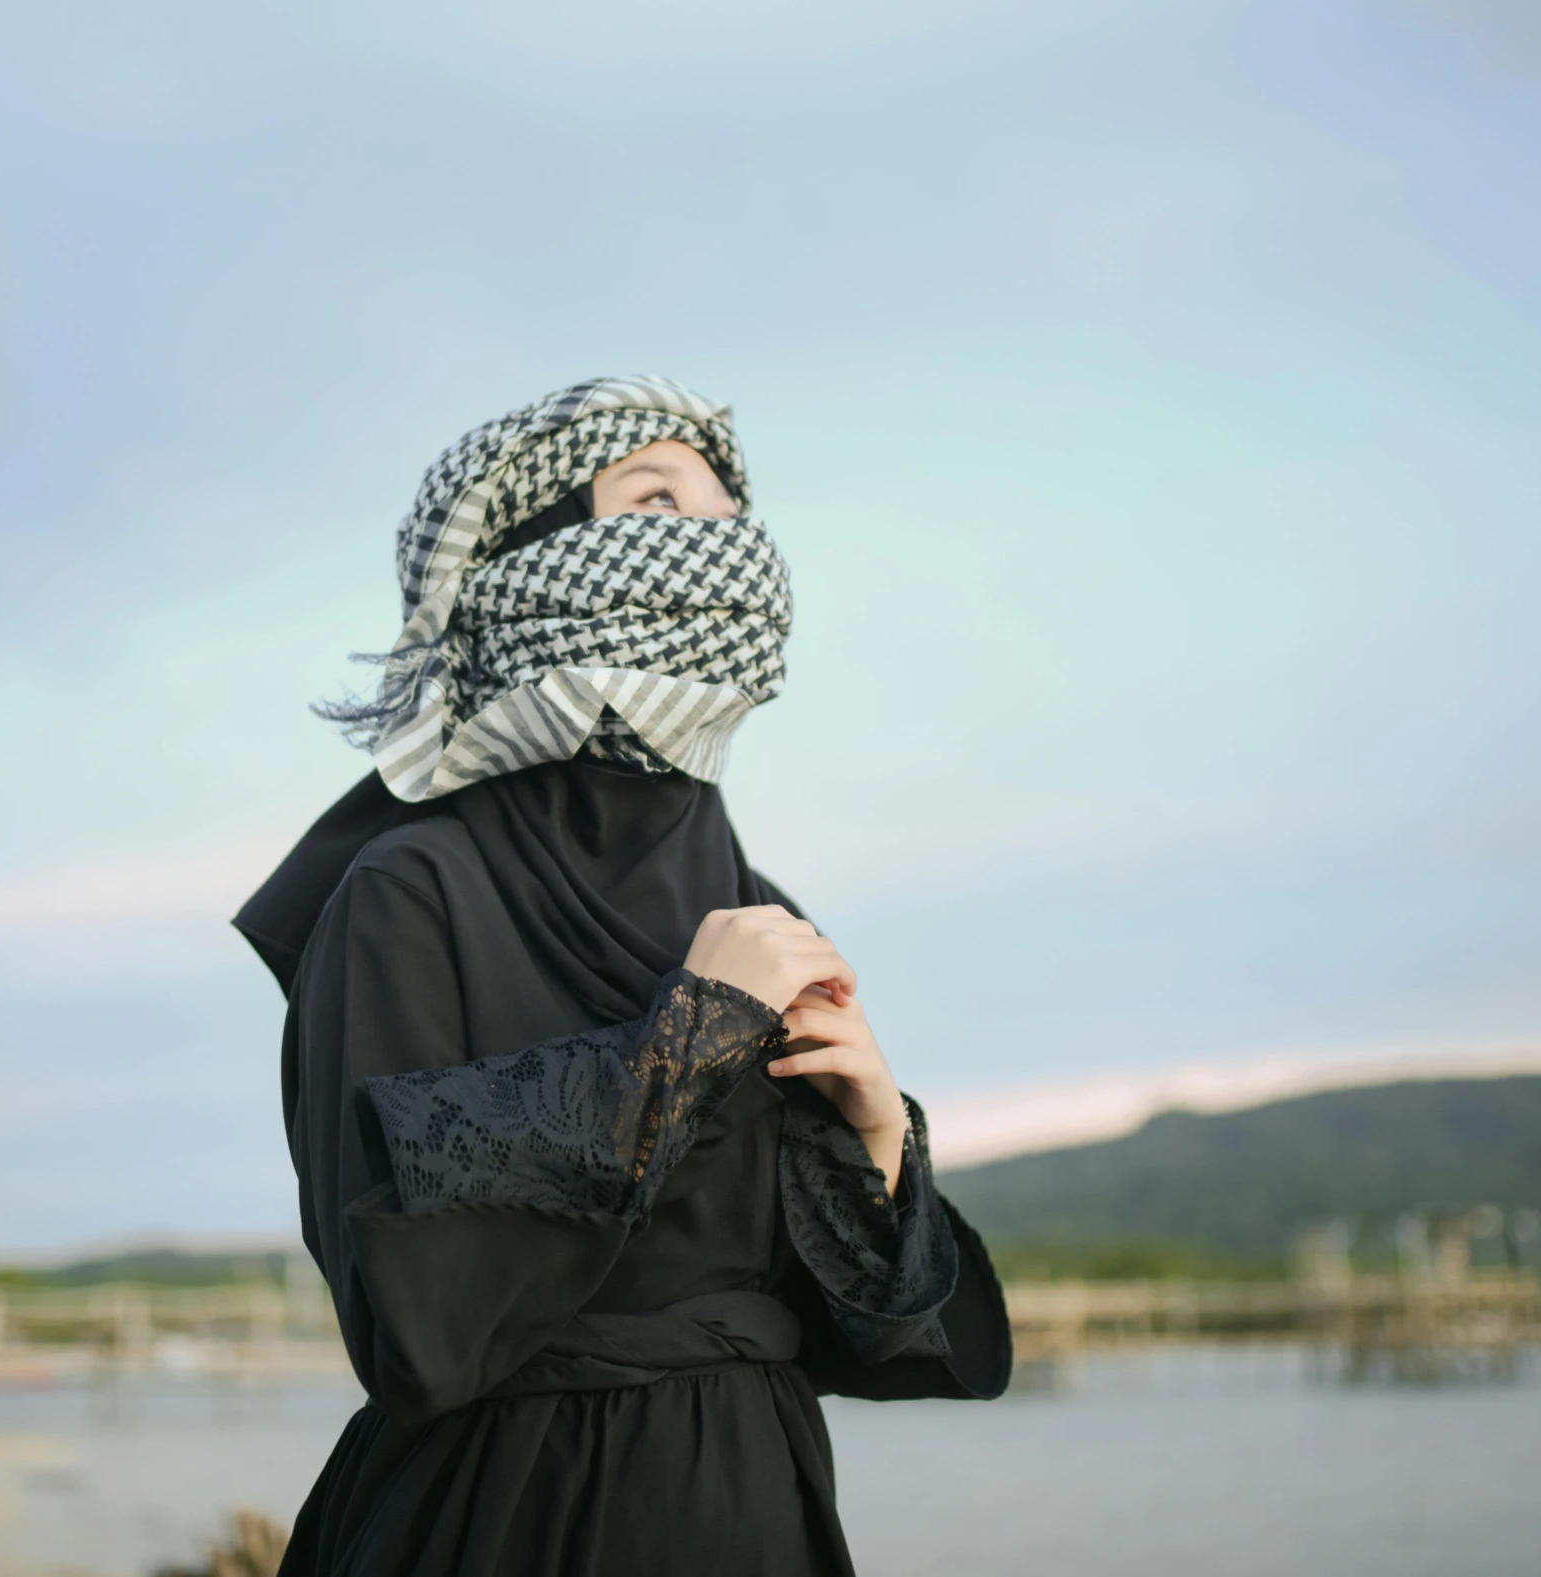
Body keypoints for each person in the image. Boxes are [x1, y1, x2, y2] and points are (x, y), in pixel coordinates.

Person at [235, 375, 1011, 1577]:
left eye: (728, 514)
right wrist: (688, 1041)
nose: (720, 543)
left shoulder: (762, 912)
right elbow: (410, 1329)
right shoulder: (406, 891)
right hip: (499, 1519)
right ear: (534, 559)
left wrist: (876, 1145)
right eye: (657, 496)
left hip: (755, 1506)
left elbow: (862, 1340)